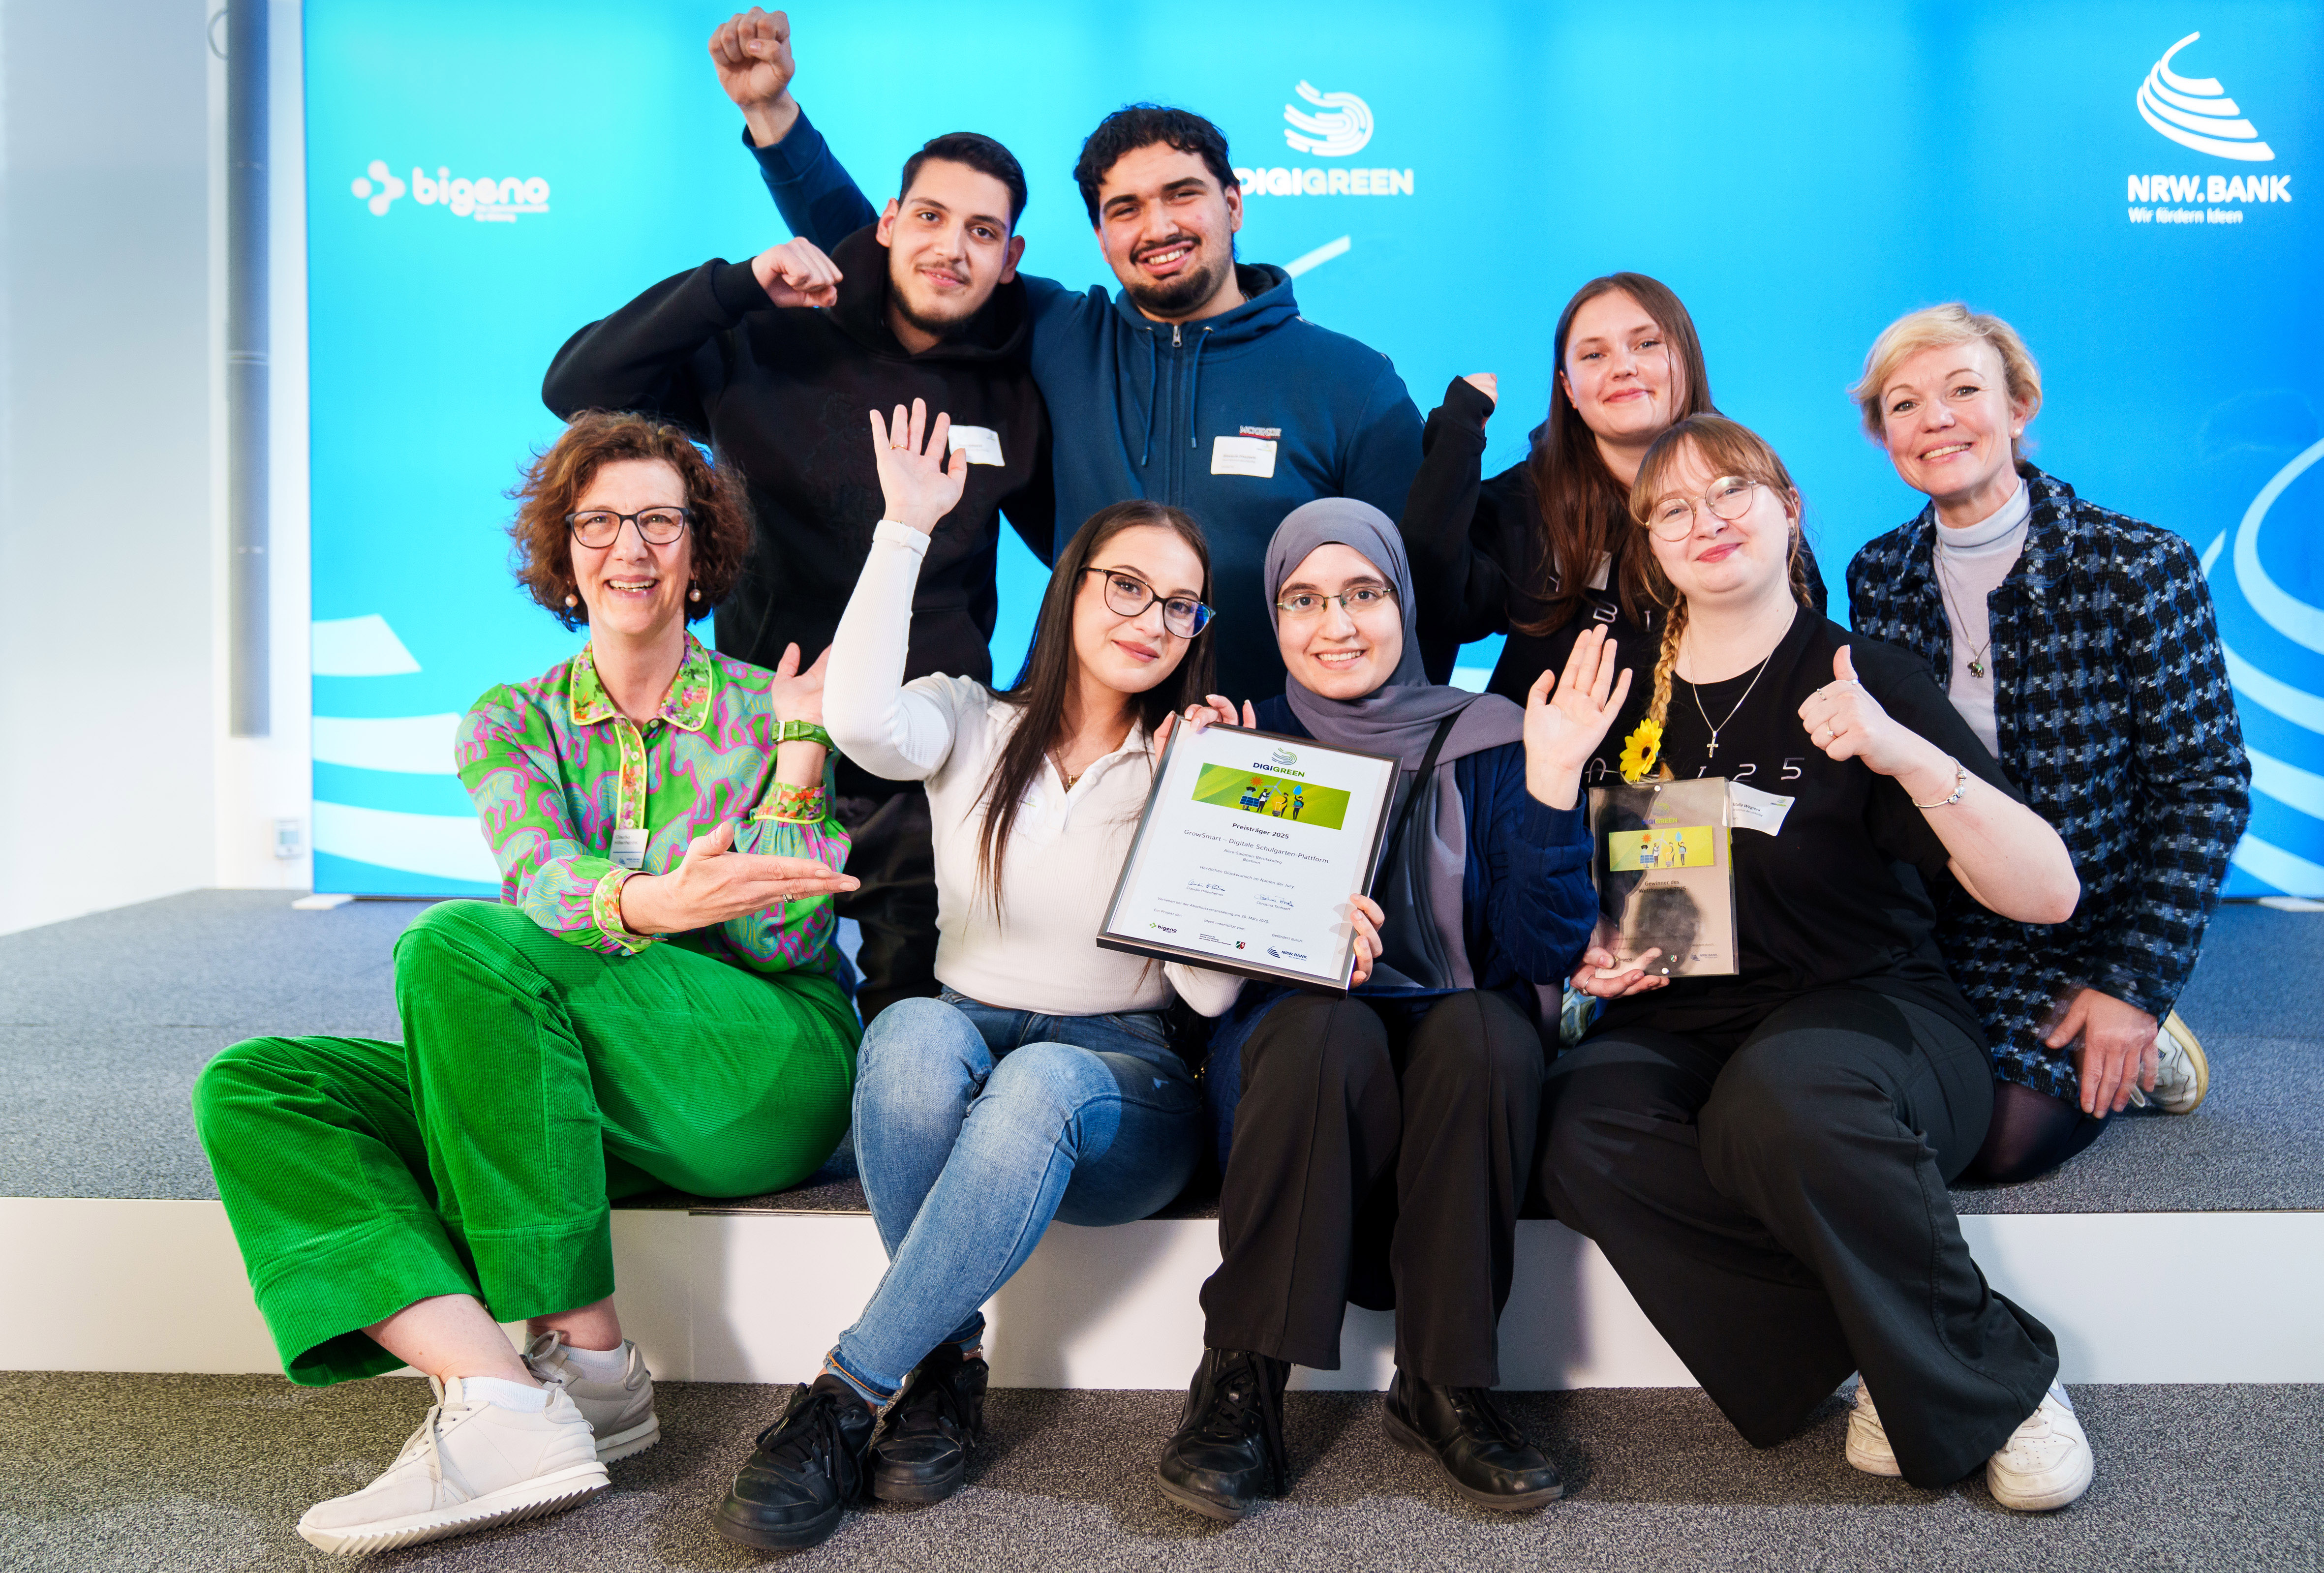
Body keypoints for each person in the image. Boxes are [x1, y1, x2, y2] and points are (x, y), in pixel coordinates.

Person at [190, 412, 863, 1555]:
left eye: (661, 519)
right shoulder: (509, 721)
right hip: (588, 1078)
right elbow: (543, 881)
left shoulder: (771, 706)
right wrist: (658, 901)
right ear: (562, 547)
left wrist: (799, 763)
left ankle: (588, 1353)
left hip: (763, 1073)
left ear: (700, 548)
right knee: (256, 1084)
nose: (631, 547)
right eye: (598, 521)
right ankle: (499, 1382)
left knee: (454, 943)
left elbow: (791, 938)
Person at [1537, 413, 2097, 1512]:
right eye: (1674, 511)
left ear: (1788, 511)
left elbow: (2047, 892)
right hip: (1679, 1016)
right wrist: (1593, 941)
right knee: (1580, 1128)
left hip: (1873, 1017)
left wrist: (1899, 749)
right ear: (1648, 544)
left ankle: (1999, 1382)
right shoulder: (1619, 692)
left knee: (1779, 1098)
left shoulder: (1863, 672)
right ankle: (1867, 1356)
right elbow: (1587, 888)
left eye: (1732, 494)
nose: (1706, 524)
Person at [710, 400, 1242, 1551]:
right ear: (1070, 586)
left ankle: (842, 1395)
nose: (1152, 618)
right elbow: (853, 721)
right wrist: (904, 527)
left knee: (1038, 1077)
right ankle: (946, 1364)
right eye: (1125, 585)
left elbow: (1206, 998)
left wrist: (1193, 813)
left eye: (1178, 602)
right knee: (904, 1033)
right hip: (971, 1029)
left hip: (1123, 1085)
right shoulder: (970, 718)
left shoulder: (1190, 757)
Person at [709, 6, 1424, 696]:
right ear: (1101, 237)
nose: (1159, 226)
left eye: (1183, 195)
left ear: (1234, 205)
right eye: (1126, 209)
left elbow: (1404, 604)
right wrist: (775, 122)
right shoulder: (1058, 332)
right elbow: (904, 261)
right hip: (1075, 742)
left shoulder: (1353, 384)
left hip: (1262, 756)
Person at [1153, 498, 1619, 1521]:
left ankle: (1447, 1382)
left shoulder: (1494, 736)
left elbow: (1541, 953)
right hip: (1299, 1066)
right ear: (1270, 622)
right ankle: (1240, 1385)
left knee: (1487, 1029)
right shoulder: (1243, 742)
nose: (1336, 626)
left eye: (1362, 594)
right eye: (1304, 601)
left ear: (1403, 604)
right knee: (1325, 1027)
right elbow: (1197, 969)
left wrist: (1550, 784)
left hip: (1456, 1060)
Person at [543, 128, 1051, 1024]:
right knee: (734, 979)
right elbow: (576, 383)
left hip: (918, 737)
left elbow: (1073, 545)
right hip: (760, 723)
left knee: (919, 1013)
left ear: (1009, 258)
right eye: (929, 216)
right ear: (888, 222)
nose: (950, 246)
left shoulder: (1016, 385)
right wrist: (735, 284)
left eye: (981, 231)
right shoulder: (769, 333)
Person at [1845, 304, 2250, 1181]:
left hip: (2085, 929)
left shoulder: (2138, 566)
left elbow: (2205, 787)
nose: (1936, 418)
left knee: (1993, 1146)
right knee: (1888, 1117)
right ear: (1882, 435)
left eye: (1963, 390)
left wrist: (2131, 984)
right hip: (1944, 919)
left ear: (2017, 405)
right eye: (1904, 404)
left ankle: (2147, 1035)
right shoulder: (1877, 573)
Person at [1399, 272, 1827, 690]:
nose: (1623, 367)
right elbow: (1437, 606)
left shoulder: (1745, 490)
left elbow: (1801, 626)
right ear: (1568, 389)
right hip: (1541, 758)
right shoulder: (1523, 502)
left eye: (1646, 344)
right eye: (1594, 356)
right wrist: (1456, 438)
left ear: (1688, 361)